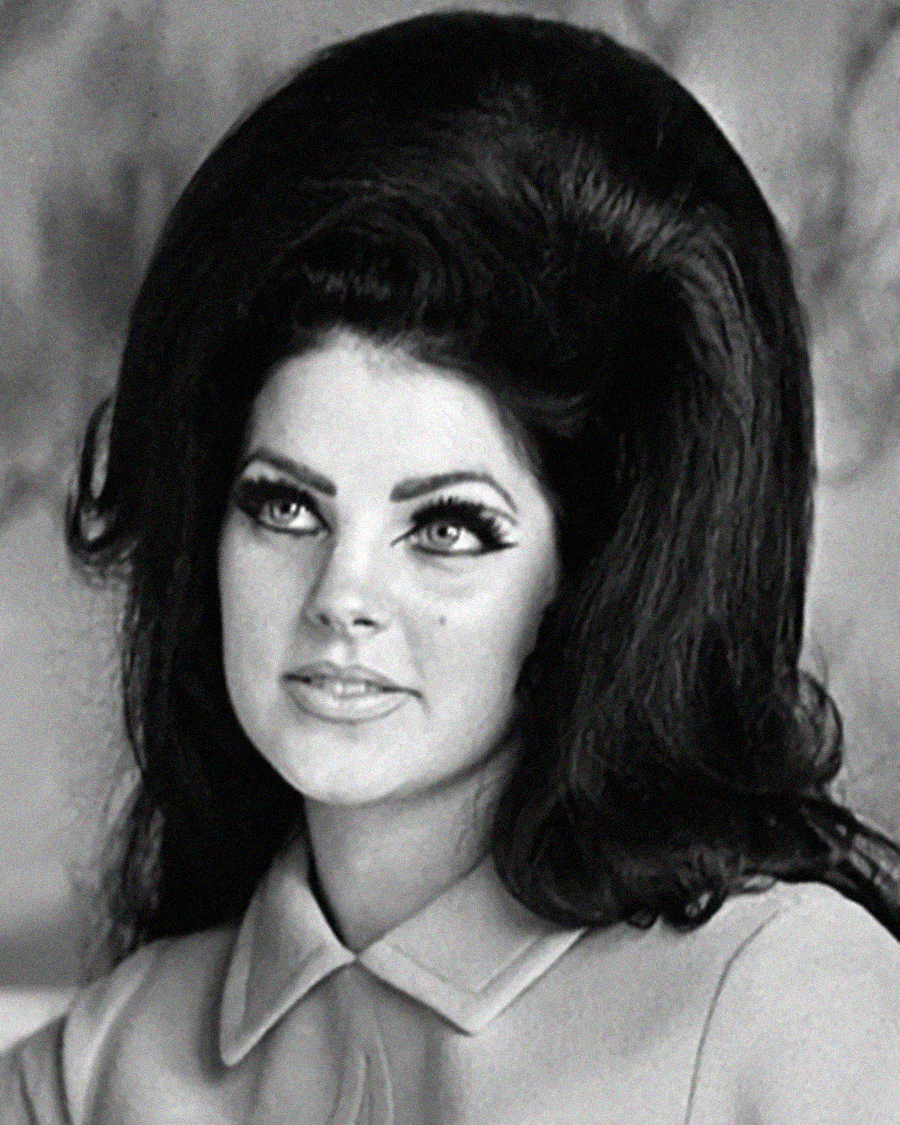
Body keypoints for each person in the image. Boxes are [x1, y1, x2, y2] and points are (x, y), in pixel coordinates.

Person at [4, 10, 900, 1123]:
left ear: (594, 574)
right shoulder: (104, 1064)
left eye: (448, 529)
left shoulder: (791, 1006)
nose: (343, 600)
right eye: (284, 506)